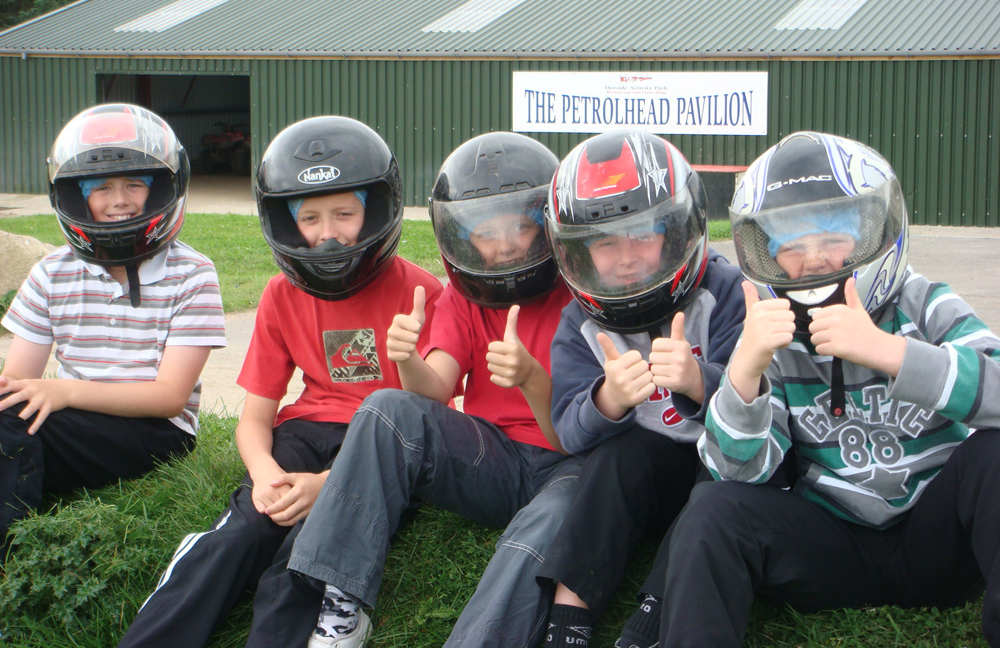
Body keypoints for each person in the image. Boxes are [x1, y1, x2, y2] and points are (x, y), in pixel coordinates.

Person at [649, 131, 1000, 647]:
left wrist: (889, 352)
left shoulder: (924, 302)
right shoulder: (772, 334)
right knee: (710, 507)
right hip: (834, 545)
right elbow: (739, 474)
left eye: (834, 238)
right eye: (791, 246)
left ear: (873, 231)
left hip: (939, 540)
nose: (813, 262)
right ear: (764, 253)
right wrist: (744, 374)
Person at [117, 116, 445, 647]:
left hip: (383, 446)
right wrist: (266, 475)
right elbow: (255, 419)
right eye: (310, 218)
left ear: (376, 210)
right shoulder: (281, 294)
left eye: (345, 214)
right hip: (305, 433)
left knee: (303, 557)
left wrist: (331, 486)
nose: (328, 233)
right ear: (287, 222)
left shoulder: (421, 293)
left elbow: (430, 417)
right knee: (235, 538)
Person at [248, 131, 580, 648]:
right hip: (493, 458)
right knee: (385, 406)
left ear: (546, 224)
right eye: (485, 232)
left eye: (520, 225)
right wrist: (406, 360)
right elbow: (435, 391)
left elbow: (573, 439)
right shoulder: (464, 299)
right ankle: (341, 603)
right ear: (461, 236)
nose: (504, 244)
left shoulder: (581, 295)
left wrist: (533, 378)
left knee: (538, 535)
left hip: (572, 465)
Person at [536, 130, 745, 647]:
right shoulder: (579, 323)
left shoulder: (726, 292)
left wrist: (699, 381)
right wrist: (607, 400)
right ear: (578, 253)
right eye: (605, 243)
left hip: (721, 474)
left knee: (719, 475)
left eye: (643, 235)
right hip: (643, 482)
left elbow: (755, 409)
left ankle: (649, 622)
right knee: (614, 458)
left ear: (678, 231)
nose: (626, 257)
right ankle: (568, 622)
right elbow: (569, 433)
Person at [0, 103, 225, 550]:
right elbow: (18, 383)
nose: (119, 199)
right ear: (74, 196)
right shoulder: (52, 272)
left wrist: (65, 392)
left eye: (134, 184)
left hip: (157, 432)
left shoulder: (193, 273)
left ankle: (11, 555)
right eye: (101, 187)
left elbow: (169, 398)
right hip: (74, 423)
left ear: (162, 189)